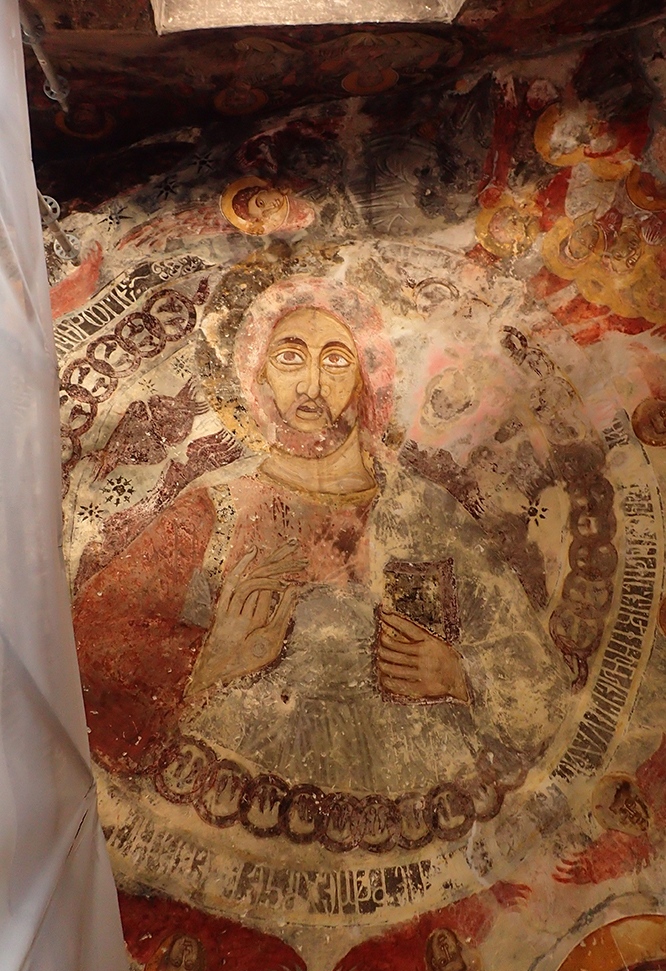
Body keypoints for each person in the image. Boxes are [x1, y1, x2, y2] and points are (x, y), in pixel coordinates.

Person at [73, 276, 570, 798]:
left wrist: (459, 675)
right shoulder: (213, 510)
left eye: (335, 361)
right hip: (249, 789)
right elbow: (89, 660)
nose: (311, 385)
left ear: (364, 380)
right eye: (290, 358)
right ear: (259, 375)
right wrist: (213, 656)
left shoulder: (425, 514)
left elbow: (544, 695)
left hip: (409, 796)